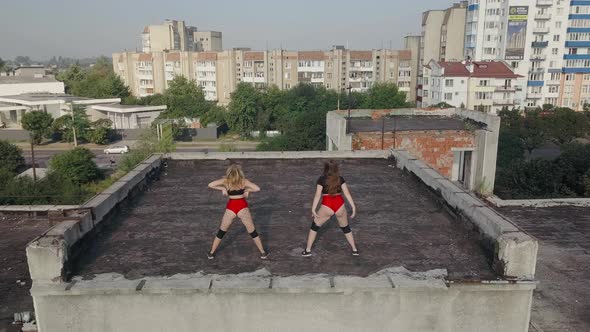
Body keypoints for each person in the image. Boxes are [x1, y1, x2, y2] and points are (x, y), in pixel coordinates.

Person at [207, 164, 268, 260]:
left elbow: (210, 185)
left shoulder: (226, 181)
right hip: (242, 207)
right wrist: (247, 190)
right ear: (240, 173)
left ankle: (211, 253)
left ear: (229, 172)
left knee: (221, 232)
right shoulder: (244, 181)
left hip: (231, 208)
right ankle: (263, 253)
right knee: (252, 232)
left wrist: (223, 188)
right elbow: (257, 188)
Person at [303, 160, 359, 257]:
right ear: (336, 168)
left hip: (327, 205)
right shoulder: (340, 179)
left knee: (314, 227)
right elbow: (347, 193)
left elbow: (317, 195)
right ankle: (354, 250)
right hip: (339, 205)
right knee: (346, 228)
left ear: (325, 168)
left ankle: (307, 251)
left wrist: (313, 209)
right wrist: (353, 207)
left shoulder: (321, 179)